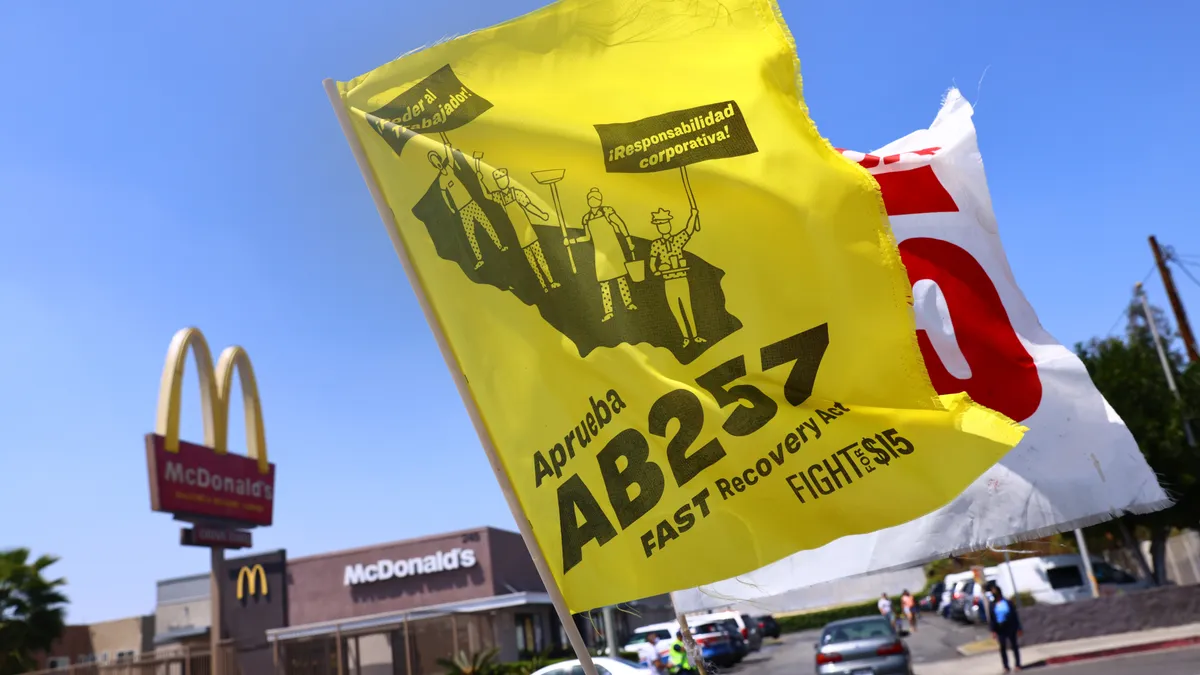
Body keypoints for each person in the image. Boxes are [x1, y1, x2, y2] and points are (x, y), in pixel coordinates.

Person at [477, 161, 560, 292]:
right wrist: (480, 180)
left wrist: (541, 214)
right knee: (532, 261)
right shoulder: (500, 197)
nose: (500, 182)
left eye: (502, 178)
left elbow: (529, 205)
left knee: (540, 256)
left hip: (529, 231)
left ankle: (551, 280)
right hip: (518, 233)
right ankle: (544, 285)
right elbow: (487, 195)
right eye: (498, 180)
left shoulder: (516, 193)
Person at [428, 143, 507, 270]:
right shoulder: (442, 180)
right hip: (462, 209)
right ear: (433, 164)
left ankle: (499, 245)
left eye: (437, 159)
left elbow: (452, 159)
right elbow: (444, 195)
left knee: (486, 224)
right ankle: (479, 259)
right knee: (471, 235)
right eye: (434, 162)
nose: (437, 162)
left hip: (471, 202)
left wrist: (446, 148)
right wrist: (451, 208)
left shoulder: (449, 168)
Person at [568, 188, 637, 321]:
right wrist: (572, 241)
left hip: (613, 249)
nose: (593, 201)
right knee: (604, 282)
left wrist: (628, 240)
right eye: (591, 199)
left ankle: (628, 303)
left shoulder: (607, 212)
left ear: (600, 200)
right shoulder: (587, 218)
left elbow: (620, 224)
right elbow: (588, 237)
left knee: (620, 278)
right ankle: (609, 311)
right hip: (599, 252)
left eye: (596, 199)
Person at [649, 206, 706, 347]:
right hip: (668, 281)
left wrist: (693, 215)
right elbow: (652, 263)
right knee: (676, 310)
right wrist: (657, 270)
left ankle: (695, 335)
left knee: (688, 307)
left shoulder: (677, 240)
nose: (664, 226)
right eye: (660, 224)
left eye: (665, 223)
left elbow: (689, 230)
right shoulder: (656, 244)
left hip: (681, 278)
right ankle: (686, 337)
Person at [988, 583, 1023, 672]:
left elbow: (1015, 615)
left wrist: (1019, 627)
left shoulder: (1007, 602)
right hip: (1000, 628)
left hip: (1010, 626)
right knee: (1002, 647)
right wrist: (993, 631)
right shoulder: (992, 605)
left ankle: (1017, 664)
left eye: (995, 592)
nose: (994, 594)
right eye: (993, 592)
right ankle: (1006, 666)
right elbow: (992, 618)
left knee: (1014, 646)